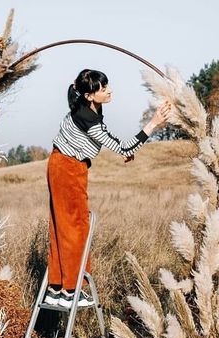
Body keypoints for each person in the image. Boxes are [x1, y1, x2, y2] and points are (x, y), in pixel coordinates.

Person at [44, 68, 171, 309]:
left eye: (107, 85)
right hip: (69, 169)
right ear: (89, 95)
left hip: (61, 165)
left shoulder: (87, 107)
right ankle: (71, 290)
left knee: (62, 225)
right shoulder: (88, 118)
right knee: (75, 227)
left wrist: (127, 150)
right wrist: (153, 123)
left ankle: (57, 288)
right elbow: (122, 147)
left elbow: (114, 143)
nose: (109, 90)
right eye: (103, 89)